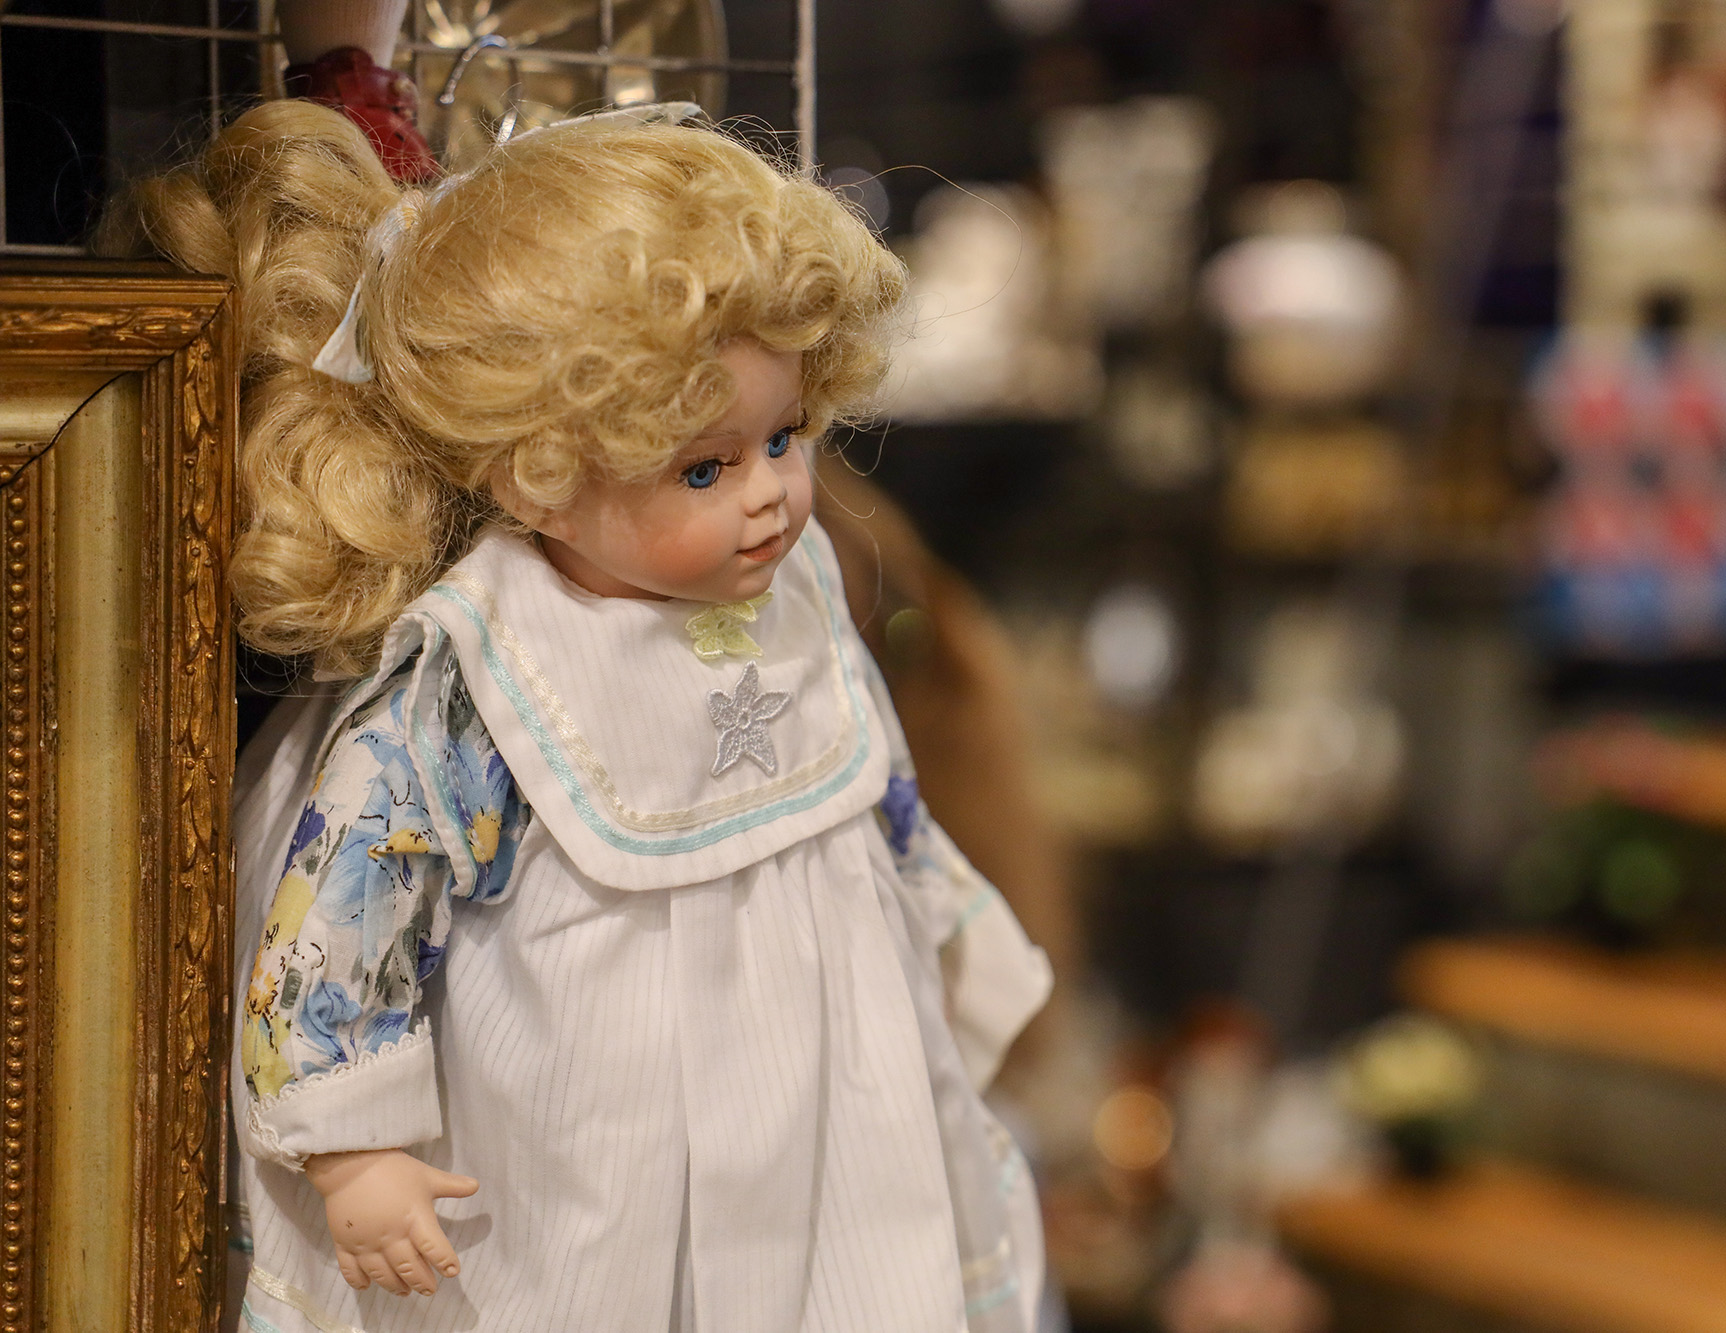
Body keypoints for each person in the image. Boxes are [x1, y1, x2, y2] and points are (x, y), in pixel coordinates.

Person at [112, 99, 1051, 1332]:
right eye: (704, 467)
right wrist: (353, 1149)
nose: (771, 496)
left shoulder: (804, 586)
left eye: (784, 437)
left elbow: (869, 783)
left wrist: (939, 930)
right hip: (587, 1136)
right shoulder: (489, 666)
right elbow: (346, 902)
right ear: (538, 472)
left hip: (827, 1089)